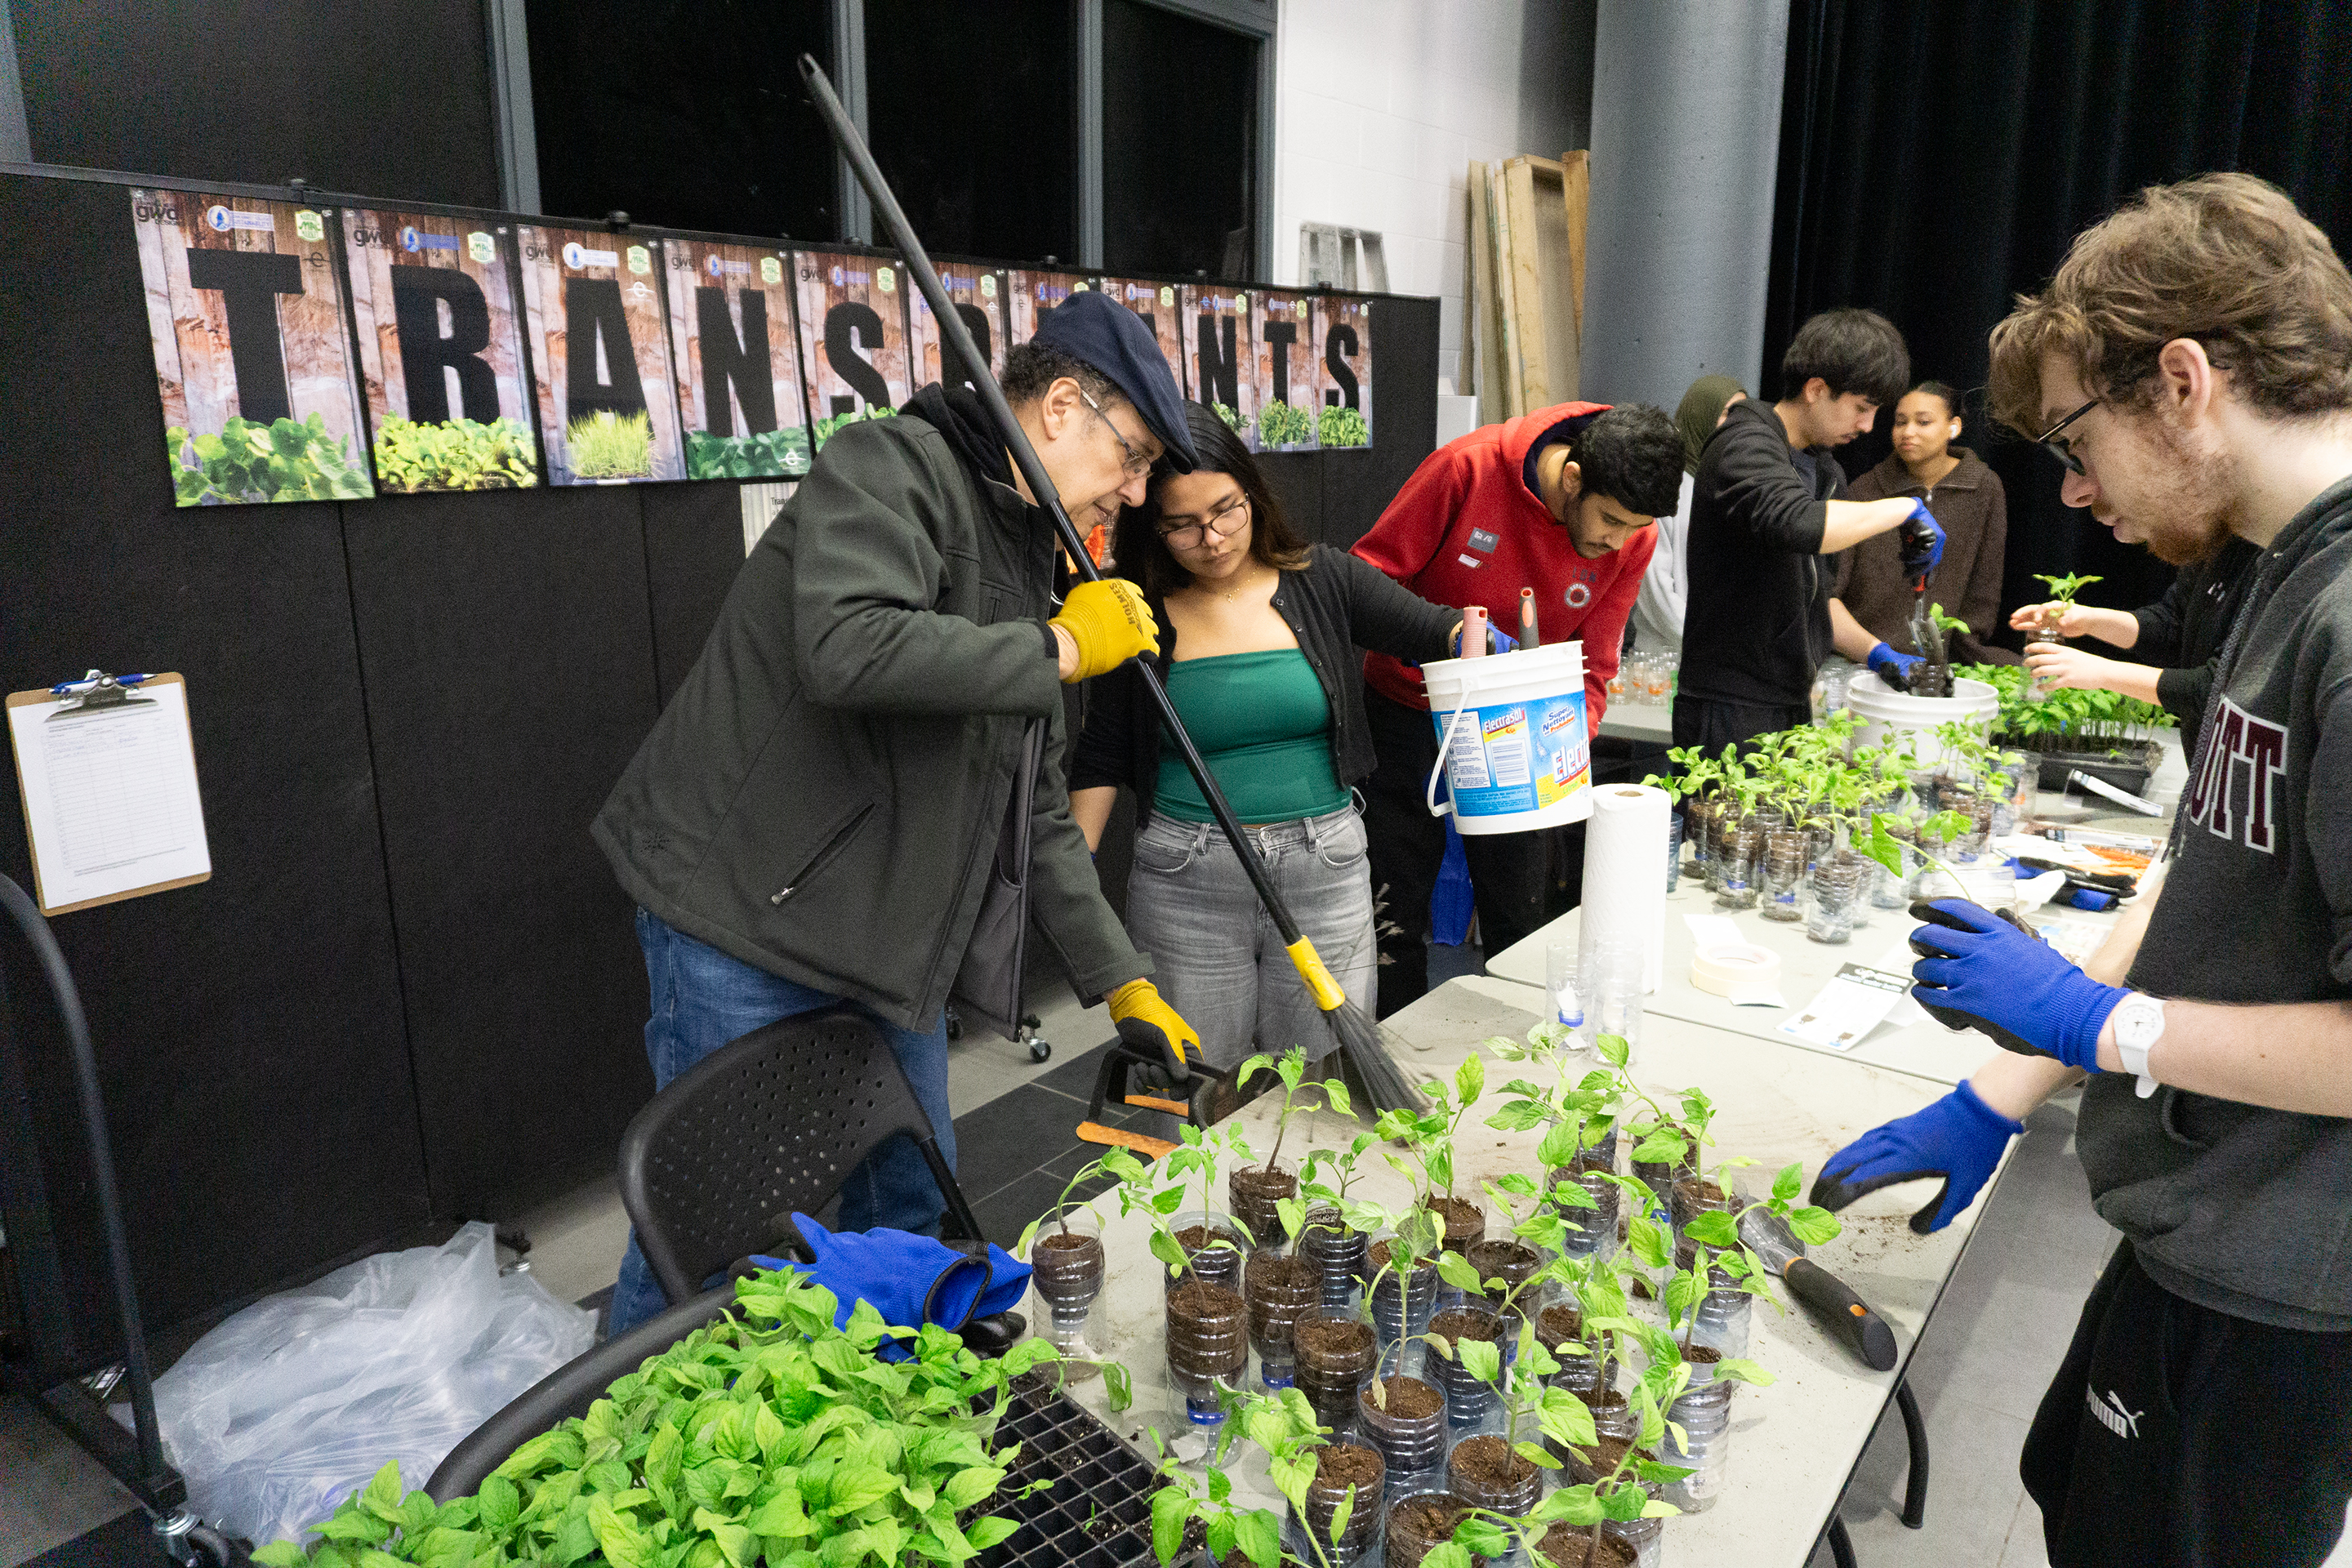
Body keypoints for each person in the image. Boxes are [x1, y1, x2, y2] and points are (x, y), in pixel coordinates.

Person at [1811, 173, 2352, 1567]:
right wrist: (2004, 1088)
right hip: (2201, 1230)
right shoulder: (2277, 578)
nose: (2071, 485)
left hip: (2286, 1288)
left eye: (2075, 435)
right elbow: (2202, 872)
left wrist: (2099, 1021)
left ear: (2180, 380)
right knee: (2075, 1488)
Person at [590, 292, 1205, 1334]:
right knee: (717, 1232)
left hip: (889, 945)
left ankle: (895, 1423)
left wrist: (1122, 978)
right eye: (1133, 456)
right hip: (747, 917)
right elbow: (848, 646)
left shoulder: (1029, 551)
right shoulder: (891, 466)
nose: (1139, 493)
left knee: (914, 1201)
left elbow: (1036, 796)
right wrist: (1059, 649)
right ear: (1061, 408)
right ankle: (625, 1447)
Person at [1068, 403, 1497, 1069]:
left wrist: (1472, 639)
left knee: (1323, 1083)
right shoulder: (1136, 608)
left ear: (1252, 493)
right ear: (1152, 526)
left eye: (1226, 510)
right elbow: (1101, 750)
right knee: (1197, 1088)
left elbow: (1434, 629)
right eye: (1182, 525)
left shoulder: (1320, 577)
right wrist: (1072, 879)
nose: (1212, 538)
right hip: (1186, 879)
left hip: (1324, 870)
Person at [1349, 399, 1685, 1015]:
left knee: (1522, 917)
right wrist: (1438, 640)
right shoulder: (1466, 470)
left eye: (1633, 528)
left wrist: (1567, 753)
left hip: (1522, 734)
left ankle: (1521, 1075)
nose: (1617, 539)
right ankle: (1393, 1066)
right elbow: (1362, 582)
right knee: (1393, 916)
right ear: (1574, 477)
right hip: (1406, 713)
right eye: (1610, 519)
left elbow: (1597, 661)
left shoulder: (1632, 538)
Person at [1675, 308, 1944, 751]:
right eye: (1861, 408)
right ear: (1816, 389)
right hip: (1728, 702)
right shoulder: (1745, 444)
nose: (1867, 426)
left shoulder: (1824, 471)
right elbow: (1796, 522)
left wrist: (1877, 654)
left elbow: (1819, 596)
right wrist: (1905, 508)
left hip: (1789, 699)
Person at [1830, 380, 2016, 667]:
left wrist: (1965, 651)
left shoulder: (1984, 487)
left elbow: (1985, 584)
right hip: (1866, 657)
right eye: (1900, 422)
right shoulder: (1866, 491)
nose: (1908, 432)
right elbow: (1832, 587)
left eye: (1924, 422)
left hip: (1950, 660)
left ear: (1953, 427)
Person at [2007, 537, 2260, 741]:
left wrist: (2101, 672)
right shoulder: (2215, 543)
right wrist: (2087, 620)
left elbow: (2217, 689)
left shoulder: (2266, 559)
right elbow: (2174, 626)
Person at [1629, 375, 1746, 654]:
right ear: (1701, 416)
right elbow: (1655, 587)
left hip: (1721, 659)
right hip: (1664, 659)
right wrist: (1710, 646)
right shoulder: (1665, 485)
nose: (1737, 426)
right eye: (1727, 414)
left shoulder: (1734, 488)